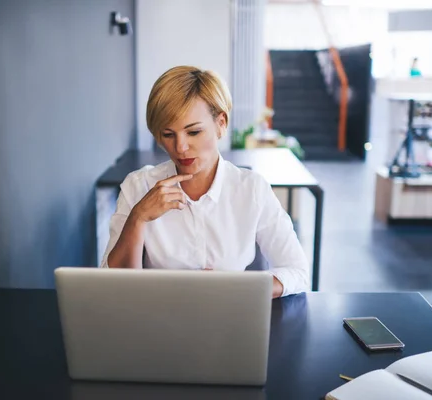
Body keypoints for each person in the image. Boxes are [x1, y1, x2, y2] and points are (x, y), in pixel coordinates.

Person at [100, 66, 309, 298]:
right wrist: (138, 218)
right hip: (159, 322)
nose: (180, 147)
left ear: (221, 123)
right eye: (168, 135)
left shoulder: (252, 189)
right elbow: (112, 285)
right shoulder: (137, 186)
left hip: (229, 321)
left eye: (194, 132)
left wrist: (235, 287)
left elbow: (297, 271)